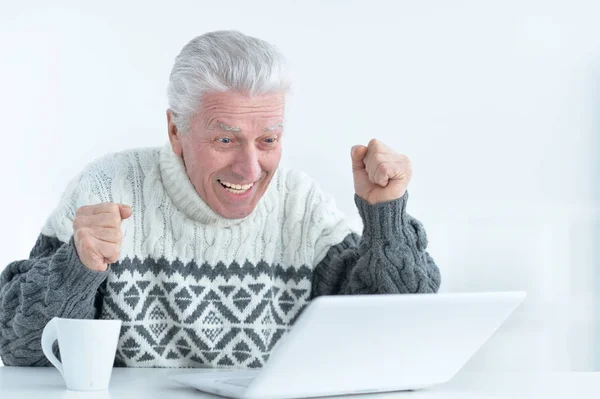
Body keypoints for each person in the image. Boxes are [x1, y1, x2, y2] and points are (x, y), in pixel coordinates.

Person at [0, 30, 441, 368]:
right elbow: (18, 348)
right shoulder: (106, 187)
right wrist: (77, 267)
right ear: (176, 131)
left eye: (267, 139)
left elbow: (393, 335)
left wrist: (387, 216)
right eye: (226, 139)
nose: (250, 169)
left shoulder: (301, 206)